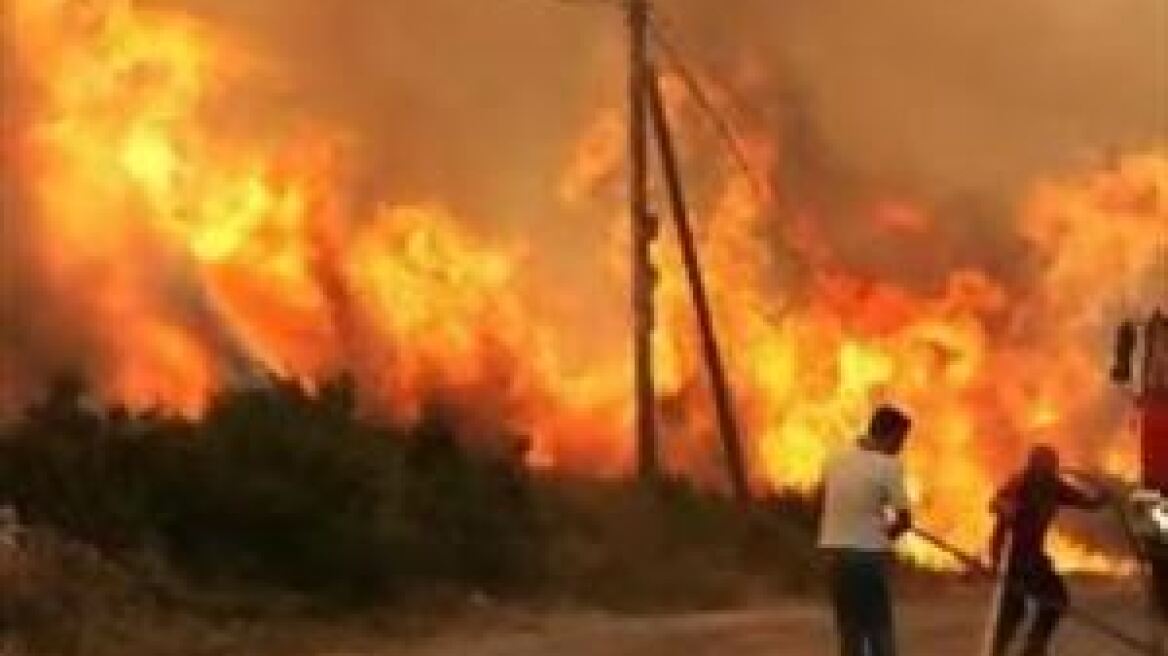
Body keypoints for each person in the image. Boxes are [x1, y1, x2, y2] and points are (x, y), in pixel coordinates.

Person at [989, 445, 1107, 656]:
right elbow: (995, 503)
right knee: (1017, 608)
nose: (1046, 471)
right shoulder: (1020, 482)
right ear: (1032, 465)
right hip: (1012, 556)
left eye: (1049, 466)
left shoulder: (1055, 486)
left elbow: (1085, 501)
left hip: (1033, 555)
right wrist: (1004, 507)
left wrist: (1101, 499)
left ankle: (1033, 646)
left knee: (1054, 599)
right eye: (1041, 465)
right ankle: (1004, 650)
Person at [818, 405, 913, 656]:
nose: (901, 446)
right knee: (879, 629)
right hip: (867, 557)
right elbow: (905, 521)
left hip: (833, 556)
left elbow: (822, 501)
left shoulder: (834, 458)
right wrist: (885, 535)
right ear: (890, 434)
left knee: (850, 632)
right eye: (901, 439)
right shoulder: (888, 466)